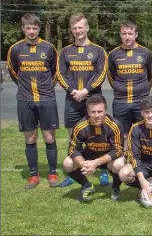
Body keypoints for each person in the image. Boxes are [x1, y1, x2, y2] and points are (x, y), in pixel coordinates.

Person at [7, 13, 60, 189]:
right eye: (28, 28)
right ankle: (33, 175)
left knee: (48, 136)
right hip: (25, 99)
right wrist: (26, 87)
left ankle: (52, 173)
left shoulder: (49, 48)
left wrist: (45, 88)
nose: (31, 31)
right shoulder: (15, 49)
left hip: (46, 98)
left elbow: (54, 72)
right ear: (23, 28)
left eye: (35, 28)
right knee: (30, 138)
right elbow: (14, 72)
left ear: (39, 29)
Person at [56, 13, 109, 187]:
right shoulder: (65, 51)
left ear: (87, 28)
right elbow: (60, 74)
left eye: (81, 27)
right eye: (74, 28)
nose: (78, 31)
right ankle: (75, 172)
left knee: (100, 135)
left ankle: (103, 171)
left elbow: (101, 74)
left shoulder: (98, 50)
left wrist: (86, 90)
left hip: (93, 98)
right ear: (71, 31)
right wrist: (74, 92)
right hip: (72, 99)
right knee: (73, 136)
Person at [62, 94, 125, 202]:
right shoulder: (80, 126)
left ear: (106, 111)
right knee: (67, 163)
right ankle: (87, 185)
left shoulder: (115, 125)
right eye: (93, 112)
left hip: (109, 157)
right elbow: (73, 148)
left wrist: (96, 163)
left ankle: (115, 187)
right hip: (90, 155)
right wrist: (83, 164)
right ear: (87, 112)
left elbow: (118, 150)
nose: (97, 115)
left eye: (100, 111)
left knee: (119, 164)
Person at [107, 20, 152, 152]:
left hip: (141, 101)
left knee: (143, 132)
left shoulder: (146, 53)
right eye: (124, 34)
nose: (127, 37)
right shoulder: (113, 54)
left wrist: (143, 90)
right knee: (123, 134)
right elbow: (111, 77)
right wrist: (119, 88)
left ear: (136, 34)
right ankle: (125, 161)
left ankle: (144, 160)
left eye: (130, 33)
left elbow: (151, 76)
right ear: (120, 35)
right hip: (120, 101)